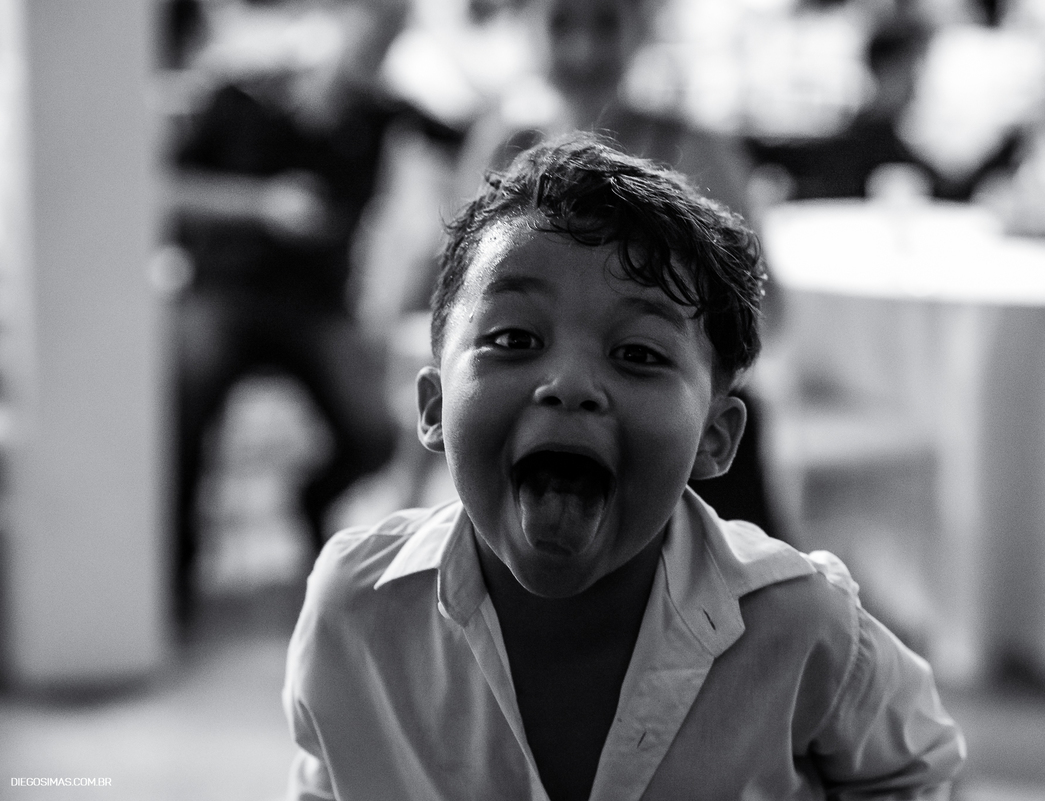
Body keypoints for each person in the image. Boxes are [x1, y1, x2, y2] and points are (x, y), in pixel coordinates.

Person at [282, 135, 965, 800]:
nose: (570, 383)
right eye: (513, 338)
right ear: (431, 407)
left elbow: (915, 766)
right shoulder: (354, 611)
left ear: (715, 437)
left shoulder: (803, 624)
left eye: (638, 353)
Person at [167, 0, 451, 624]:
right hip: (224, 293)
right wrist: (260, 204)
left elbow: (478, 132)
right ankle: (173, 577)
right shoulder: (240, 92)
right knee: (182, 392)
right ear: (338, 17)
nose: (379, 43)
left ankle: (310, 500)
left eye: (394, 32)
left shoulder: (384, 114)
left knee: (378, 433)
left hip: (318, 310)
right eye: (373, 22)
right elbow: (168, 187)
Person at [454, 0, 779, 536]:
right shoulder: (500, 147)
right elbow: (462, 307)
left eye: (605, 22)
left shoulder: (695, 149)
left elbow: (765, 309)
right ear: (528, 29)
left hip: (675, 430)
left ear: (641, 28)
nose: (584, 49)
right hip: (535, 426)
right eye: (562, 23)